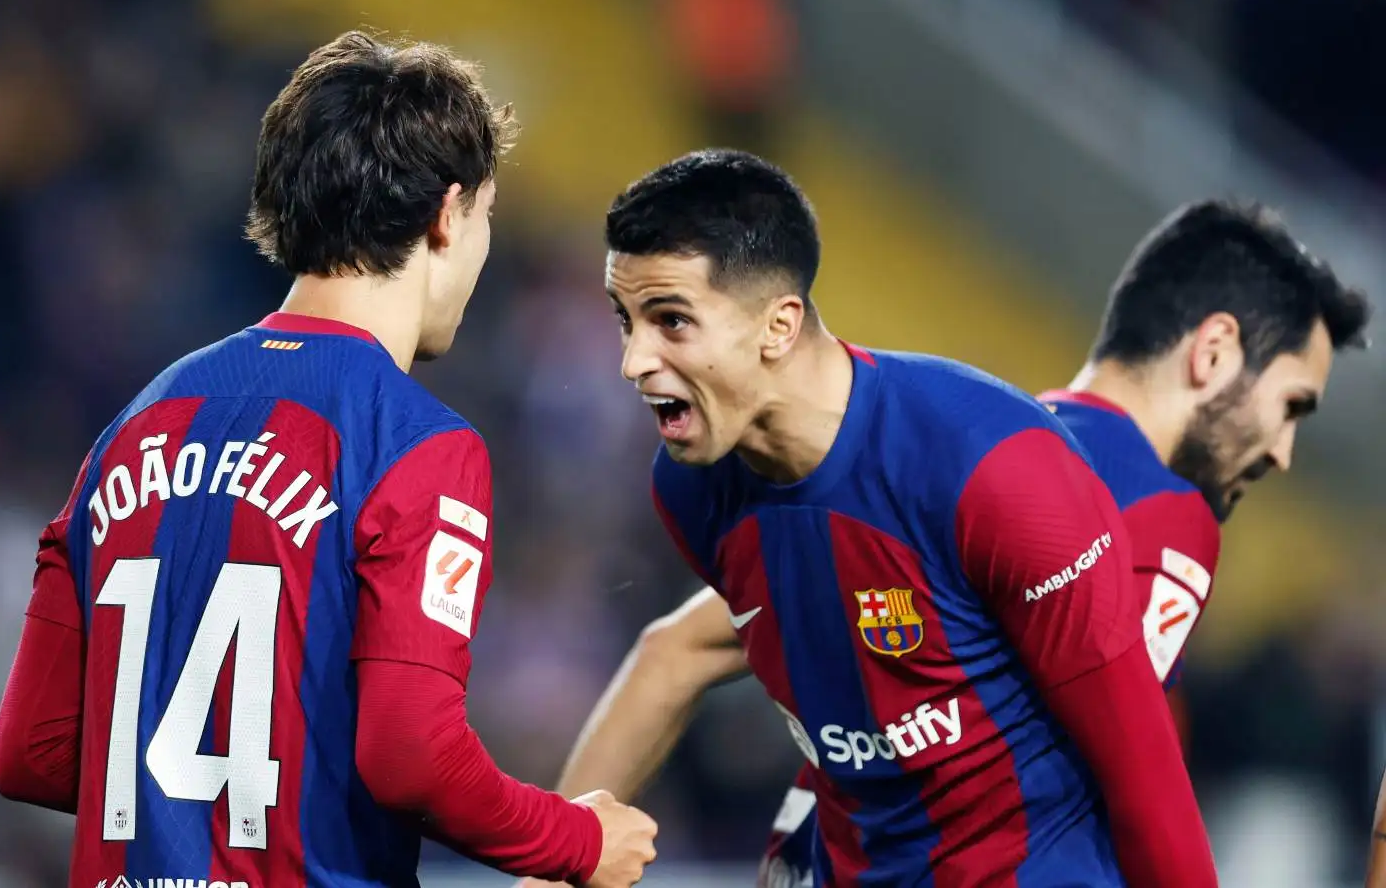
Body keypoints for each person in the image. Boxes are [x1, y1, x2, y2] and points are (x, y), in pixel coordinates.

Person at [523, 196, 1371, 888]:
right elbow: (1127, 774)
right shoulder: (1161, 512)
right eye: (1291, 405)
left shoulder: (970, 452)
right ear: (1214, 352)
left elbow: (676, 650)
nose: (1283, 452)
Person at [0, 31, 658, 888]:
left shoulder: (135, 426)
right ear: (447, 215)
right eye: (487, 217)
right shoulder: (415, 442)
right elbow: (413, 751)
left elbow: (32, 751)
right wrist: (577, 840)